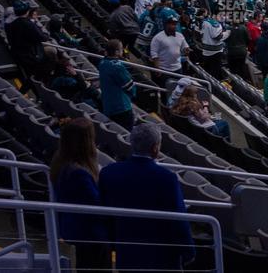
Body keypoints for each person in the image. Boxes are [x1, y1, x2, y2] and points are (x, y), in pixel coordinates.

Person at [99, 123, 194, 271]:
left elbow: (105, 216)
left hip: (126, 252)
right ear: (155, 148)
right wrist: (188, 251)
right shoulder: (166, 178)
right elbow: (178, 220)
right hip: (162, 258)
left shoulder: (108, 173)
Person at [50, 118, 109, 271]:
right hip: (89, 233)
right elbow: (97, 206)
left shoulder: (62, 162)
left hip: (79, 228)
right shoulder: (79, 174)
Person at [98, 39, 137, 130]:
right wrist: (133, 94)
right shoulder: (118, 67)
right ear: (116, 52)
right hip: (122, 108)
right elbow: (130, 88)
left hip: (108, 106)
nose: (123, 51)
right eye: (121, 49)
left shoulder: (102, 63)